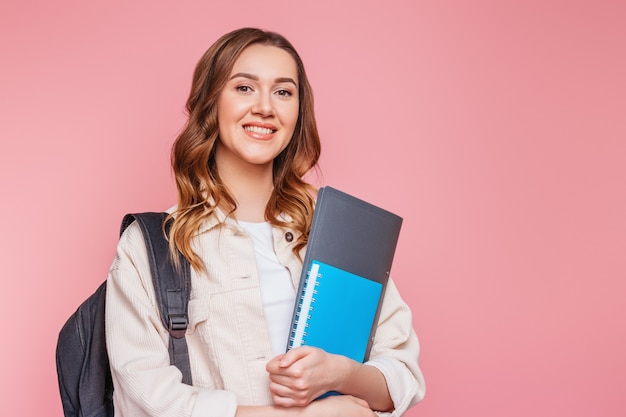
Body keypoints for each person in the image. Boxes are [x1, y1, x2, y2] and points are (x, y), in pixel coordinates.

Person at [105, 27, 425, 417]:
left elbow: (403, 376)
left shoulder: (342, 236)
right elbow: (144, 400)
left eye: (283, 91)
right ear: (211, 103)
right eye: (244, 87)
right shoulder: (151, 246)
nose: (265, 107)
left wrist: (340, 373)